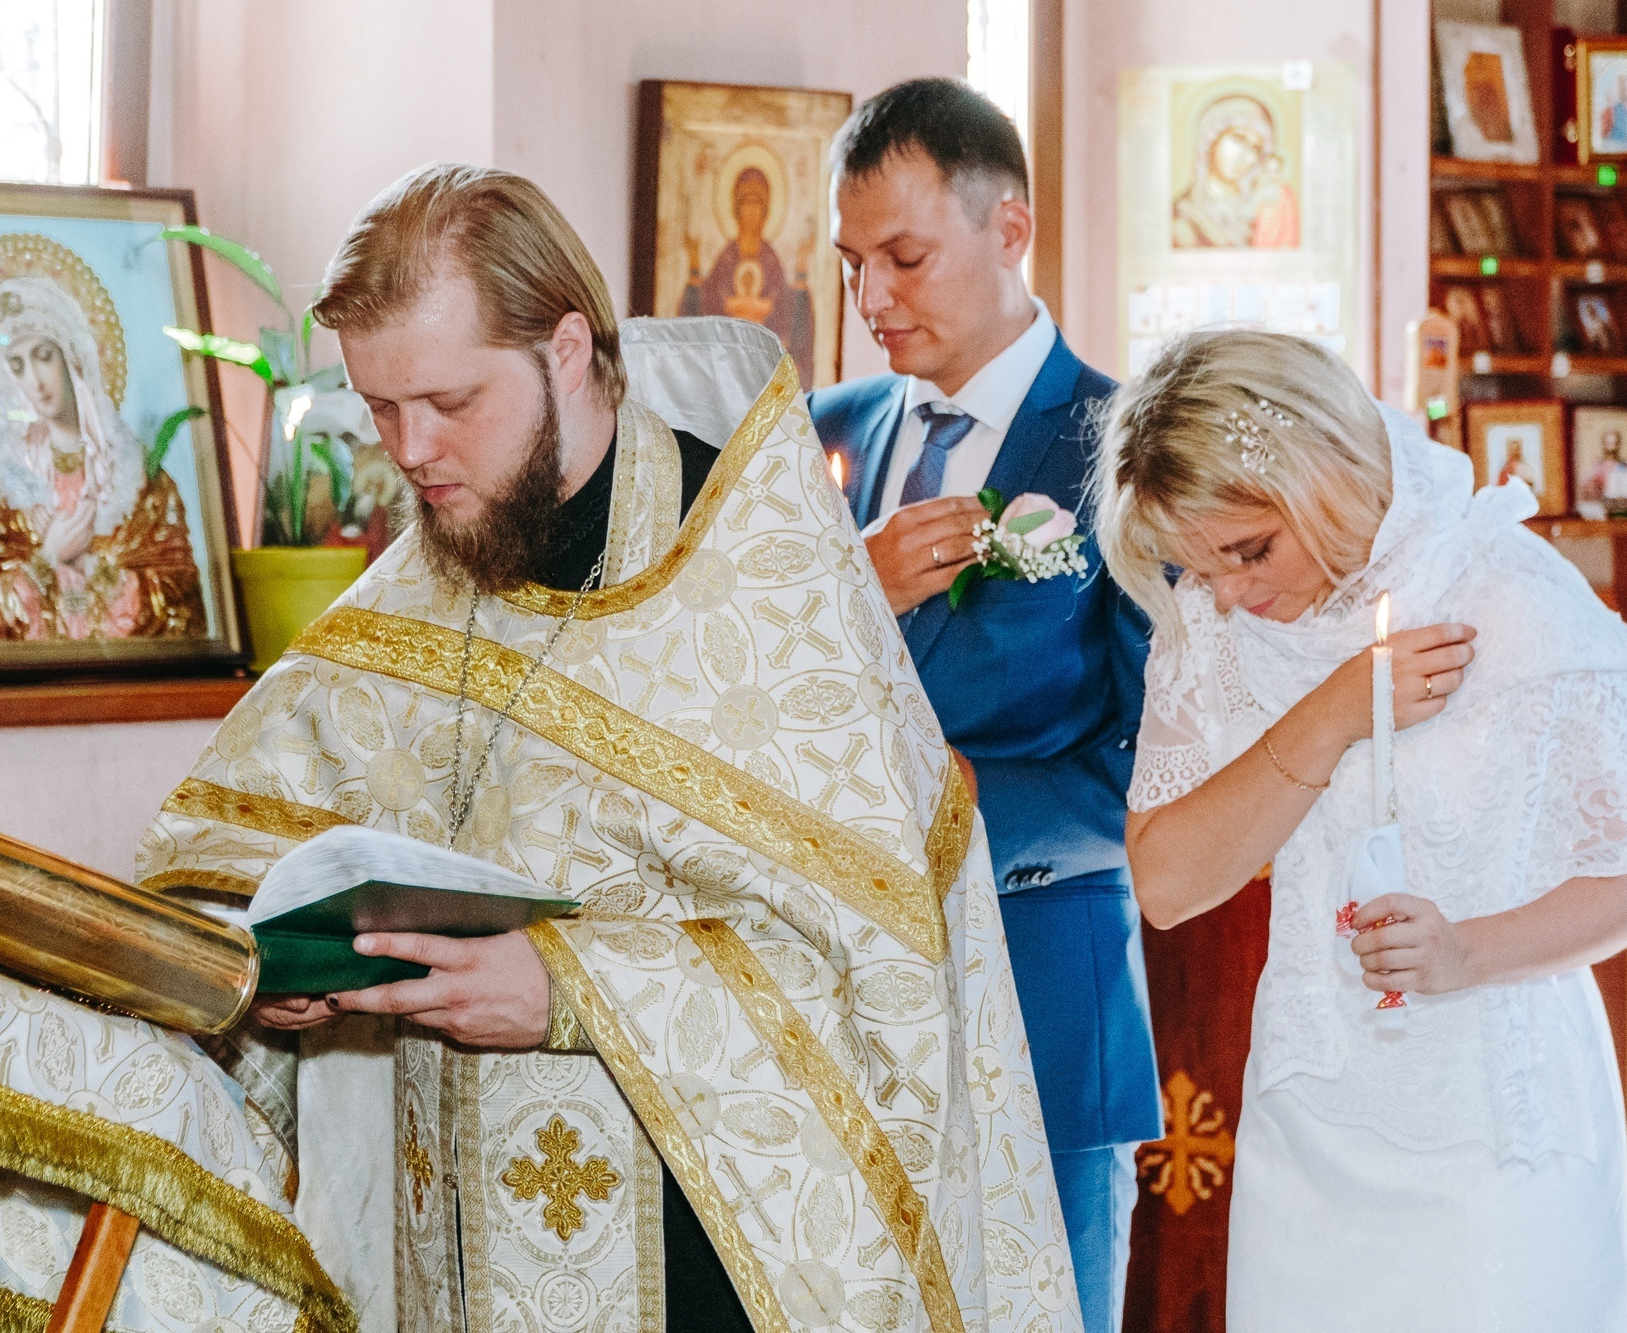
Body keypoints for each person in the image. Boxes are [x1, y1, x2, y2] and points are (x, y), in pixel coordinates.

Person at [140, 164, 1081, 1333]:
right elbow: (214, 842)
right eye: (380, 410)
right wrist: (271, 964)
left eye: (448, 401)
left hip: (704, 1266)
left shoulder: (757, 586)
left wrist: (572, 989)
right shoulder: (433, 575)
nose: (412, 449)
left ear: (567, 348)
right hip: (455, 1264)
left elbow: (878, 973)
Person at [1093, 329, 1627, 1331]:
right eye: (1200, 565)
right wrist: (1330, 713)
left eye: (1249, 550)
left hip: (1496, 1139)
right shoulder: (1219, 619)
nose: (1230, 591)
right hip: (1312, 1130)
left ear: (1322, 470)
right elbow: (1165, 881)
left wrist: (1461, 949)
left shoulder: (1500, 584)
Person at [808, 79, 1159, 1333]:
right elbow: (741, 693)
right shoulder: (817, 438)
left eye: (903, 257)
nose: (871, 302)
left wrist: (955, 815)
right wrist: (853, 592)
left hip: (1043, 998)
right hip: (834, 1009)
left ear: (1007, 230)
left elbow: (1151, 757)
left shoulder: (1123, 448)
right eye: (851, 265)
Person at [0, 273, 208, 640]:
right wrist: (47, 558)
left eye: (43, 356)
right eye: (18, 365)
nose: (35, 380)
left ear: (71, 357)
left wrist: (92, 568)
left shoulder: (139, 479)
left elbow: (180, 601)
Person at [681, 163, 815, 376]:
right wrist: (695, 263)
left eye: (758, 204)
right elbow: (702, 308)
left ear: (766, 210)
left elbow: (791, 318)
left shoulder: (771, 260)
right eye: (746, 203)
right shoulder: (726, 259)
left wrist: (801, 267)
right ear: (736, 208)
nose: (752, 211)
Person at [1171, 93, 1300, 250]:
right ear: (1211, 139)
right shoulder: (1184, 215)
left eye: (1255, 148)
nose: (1246, 156)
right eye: (1238, 139)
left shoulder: (1265, 203)